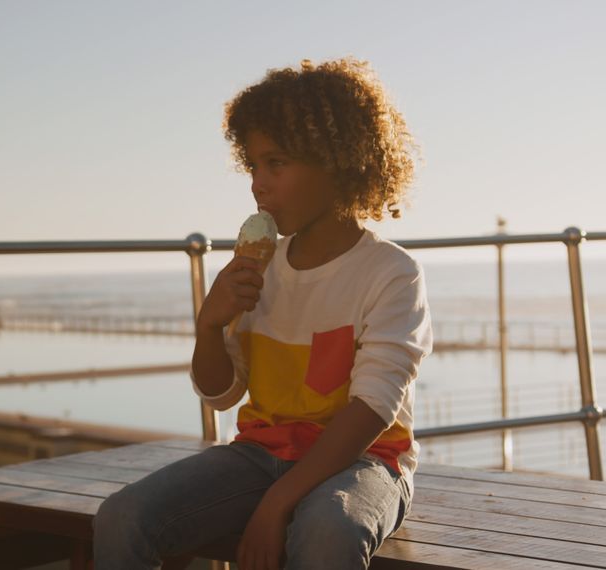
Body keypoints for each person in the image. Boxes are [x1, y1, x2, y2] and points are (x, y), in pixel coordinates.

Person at [92, 57, 433, 570]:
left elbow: (373, 409)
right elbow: (221, 391)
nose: (258, 184)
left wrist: (277, 503)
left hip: (365, 462)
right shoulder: (262, 265)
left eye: (277, 163)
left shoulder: (390, 273)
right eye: (253, 165)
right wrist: (210, 324)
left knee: (326, 532)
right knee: (121, 516)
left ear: (340, 162)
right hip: (260, 453)